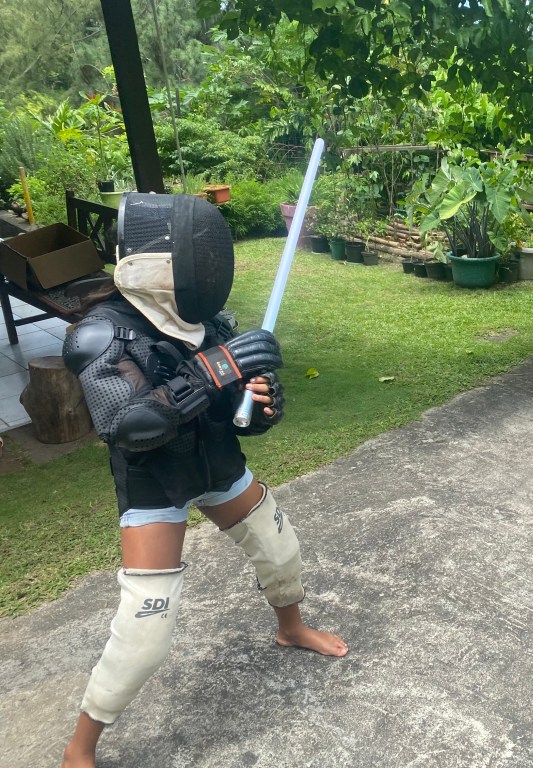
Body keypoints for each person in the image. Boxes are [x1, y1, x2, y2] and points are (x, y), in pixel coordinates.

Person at [61, 193, 347, 768]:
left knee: (280, 549)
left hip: (216, 463)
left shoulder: (209, 325)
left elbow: (233, 410)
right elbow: (127, 425)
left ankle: (290, 629)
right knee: (146, 631)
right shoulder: (100, 334)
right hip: (155, 483)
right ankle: (80, 745)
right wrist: (215, 370)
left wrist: (258, 404)